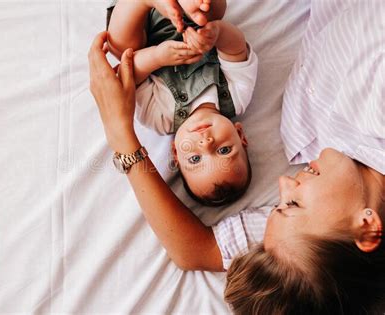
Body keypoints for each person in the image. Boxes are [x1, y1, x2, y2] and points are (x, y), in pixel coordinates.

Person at [88, 0, 384, 312]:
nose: (283, 182)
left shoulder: (308, 150)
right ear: (366, 228)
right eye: (292, 204)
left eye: (280, 205)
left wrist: (120, 134)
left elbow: (193, 251)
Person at [106, 0, 258, 206]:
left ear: (176, 152)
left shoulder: (160, 119)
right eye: (224, 150)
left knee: (123, 49)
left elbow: (131, 73)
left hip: (144, 24)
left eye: (195, 159)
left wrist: (158, 57)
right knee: (215, 10)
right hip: (191, 17)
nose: (206, 143)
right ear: (240, 135)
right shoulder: (237, 97)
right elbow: (237, 50)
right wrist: (217, 34)